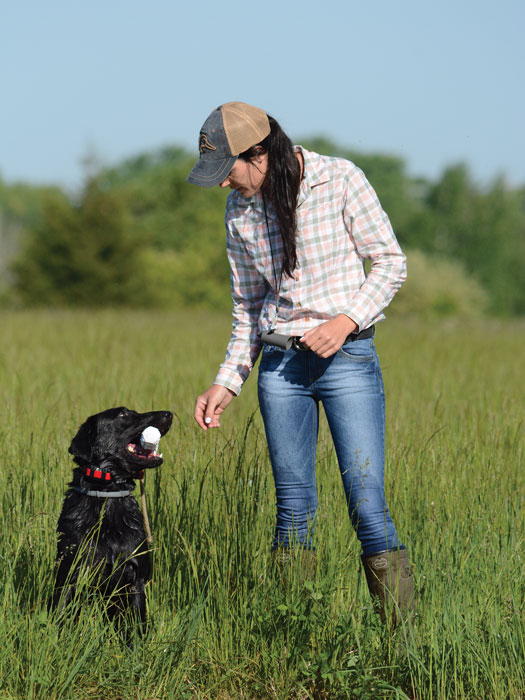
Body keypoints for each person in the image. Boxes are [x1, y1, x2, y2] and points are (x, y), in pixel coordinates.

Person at [187, 102, 415, 623]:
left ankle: (405, 646)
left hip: (348, 361)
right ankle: (296, 637)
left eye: (228, 171)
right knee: (291, 509)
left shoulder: (339, 179)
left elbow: (390, 261)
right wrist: (227, 382)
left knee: (367, 504)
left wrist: (347, 320)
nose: (224, 185)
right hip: (280, 369)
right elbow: (247, 305)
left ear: (260, 154)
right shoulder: (239, 213)